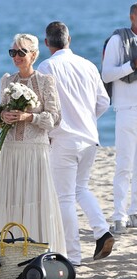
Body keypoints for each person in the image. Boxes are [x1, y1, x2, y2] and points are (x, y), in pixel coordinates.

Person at [38, 21, 114, 266]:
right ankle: (102, 231)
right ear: (69, 40)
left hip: (63, 138)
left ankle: (73, 256)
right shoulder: (88, 65)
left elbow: (43, 107)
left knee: (65, 197)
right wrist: (88, 120)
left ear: (47, 43)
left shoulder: (47, 66)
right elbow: (103, 102)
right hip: (89, 137)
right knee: (80, 188)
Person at [0, 33, 67, 256]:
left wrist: (30, 118)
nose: (16, 57)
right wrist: (3, 117)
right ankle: (11, 253)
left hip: (35, 150)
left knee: (36, 197)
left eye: (21, 52)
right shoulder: (7, 81)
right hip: (12, 150)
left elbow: (54, 118)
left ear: (34, 54)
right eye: (13, 52)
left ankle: (38, 250)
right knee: (13, 198)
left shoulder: (45, 81)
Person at [102, 3, 137, 234]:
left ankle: (135, 212)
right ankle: (119, 216)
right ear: (133, 16)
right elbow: (106, 74)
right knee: (124, 165)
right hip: (126, 109)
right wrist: (132, 65)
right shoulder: (118, 40)